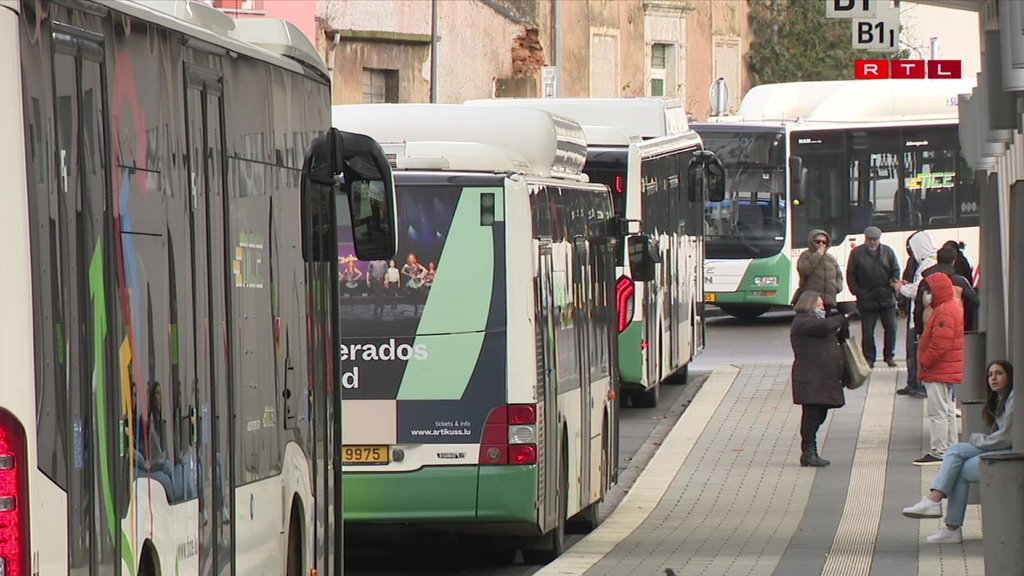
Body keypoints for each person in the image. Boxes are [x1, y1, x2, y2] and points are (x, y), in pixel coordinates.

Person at [902, 360, 1014, 544]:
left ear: (1009, 377)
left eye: (999, 374)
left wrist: (978, 439)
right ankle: (938, 508)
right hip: (1002, 447)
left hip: (1010, 452)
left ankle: (942, 513)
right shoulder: (1001, 398)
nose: (993, 378)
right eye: (990, 375)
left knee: (958, 467)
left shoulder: (1014, 399)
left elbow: (1006, 437)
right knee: (954, 451)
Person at [790, 290, 849, 467]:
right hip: (811, 378)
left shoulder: (817, 321)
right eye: (819, 303)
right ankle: (809, 452)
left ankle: (810, 451)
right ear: (809, 304)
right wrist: (842, 317)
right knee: (812, 415)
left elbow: (835, 334)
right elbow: (824, 328)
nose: (823, 306)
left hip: (820, 378)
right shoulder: (803, 321)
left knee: (819, 413)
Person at [913, 272, 964, 466]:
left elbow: (940, 344)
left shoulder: (944, 311)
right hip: (947, 368)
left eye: (929, 291)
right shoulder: (951, 307)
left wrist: (925, 361)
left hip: (939, 369)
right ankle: (951, 448)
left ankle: (939, 450)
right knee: (948, 410)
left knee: (938, 411)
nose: (927, 295)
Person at [846, 226, 900, 368]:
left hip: (886, 296)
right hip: (866, 298)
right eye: (870, 240)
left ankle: (889, 356)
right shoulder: (856, 253)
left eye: (875, 240)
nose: (873, 242)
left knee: (891, 328)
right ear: (865, 239)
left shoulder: (888, 251)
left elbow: (896, 269)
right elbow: (850, 275)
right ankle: (869, 358)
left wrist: (893, 283)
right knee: (867, 331)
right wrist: (857, 292)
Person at [896, 230, 938, 398]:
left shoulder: (927, 265)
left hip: (920, 316)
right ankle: (913, 382)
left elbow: (918, 291)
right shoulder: (929, 261)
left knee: (915, 351)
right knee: (913, 351)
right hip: (919, 314)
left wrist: (901, 288)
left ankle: (917, 384)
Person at [914, 245, 979, 333]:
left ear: (938, 260)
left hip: (930, 330)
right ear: (953, 261)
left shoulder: (925, 282)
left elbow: (918, 309)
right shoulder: (960, 282)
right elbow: (974, 302)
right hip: (954, 328)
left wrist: (919, 330)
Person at [795, 229, 843, 312]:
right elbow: (803, 270)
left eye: (824, 242)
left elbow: (839, 275)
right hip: (813, 299)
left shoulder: (830, 257)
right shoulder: (806, 255)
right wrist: (817, 255)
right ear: (812, 242)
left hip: (829, 299)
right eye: (818, 241)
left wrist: (837, 287)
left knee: (826, 323)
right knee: (814, 322)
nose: (821, 244)